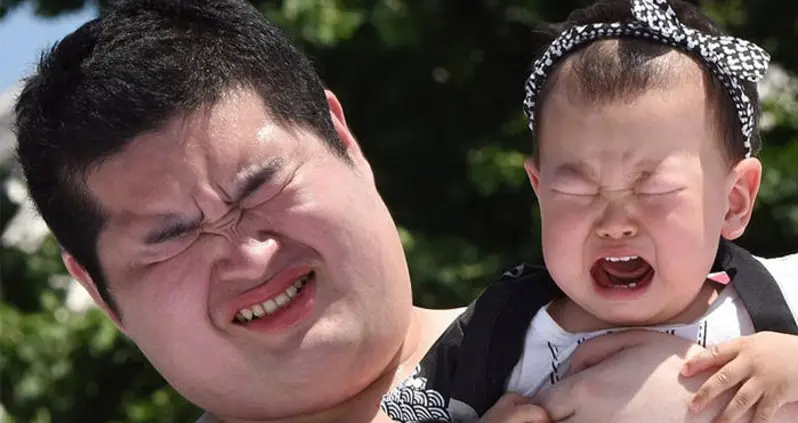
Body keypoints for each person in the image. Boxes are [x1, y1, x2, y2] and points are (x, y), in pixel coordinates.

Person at [14, 1, 794, 423]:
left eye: (259, 187)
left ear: (344, 140)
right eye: (172, 237)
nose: (248, 254)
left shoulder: (774, 310)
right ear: (97, 288)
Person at [380, 1, 798, 422]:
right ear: (540, 191)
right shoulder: (496, 332)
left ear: (734, 200)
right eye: (576, 190)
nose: (615, 223)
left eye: (654, 188)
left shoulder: (778, 309)